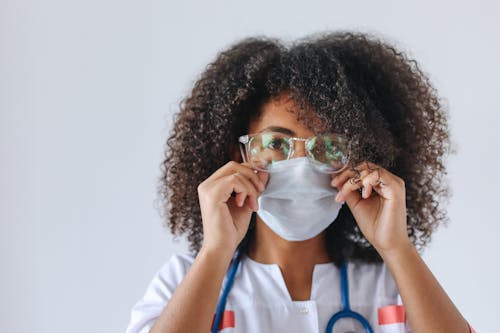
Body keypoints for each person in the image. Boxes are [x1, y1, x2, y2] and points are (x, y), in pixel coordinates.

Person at [125, 31, 476, 333]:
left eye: (327, 146)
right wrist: (217, 251)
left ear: (357, 159)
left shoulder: (390, 282)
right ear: (239, 154)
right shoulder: (185, 279)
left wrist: (396, 247)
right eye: (276, 144)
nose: (301, 165)